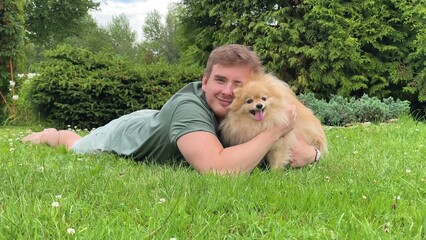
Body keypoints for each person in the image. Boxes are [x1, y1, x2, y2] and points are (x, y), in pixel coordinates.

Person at [22, 44, 320, 174]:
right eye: (219, 80)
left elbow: (295, 145)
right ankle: (53, 135)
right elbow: (218, 169)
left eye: (237, 84)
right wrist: (278, 131)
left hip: (153, 118)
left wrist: (314, 154)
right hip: (125, 134)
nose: (228, 92)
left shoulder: (252, 104)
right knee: (77, 145)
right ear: (204, 81)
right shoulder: (189, 109)